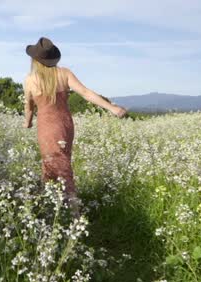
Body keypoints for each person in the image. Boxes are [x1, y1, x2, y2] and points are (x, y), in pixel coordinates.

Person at [23, 37, 127, 216]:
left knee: (56, 165)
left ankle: (73, 215)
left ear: (35, 60)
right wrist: (111, 108)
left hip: (46, 127)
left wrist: (28, 122)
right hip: (65, 125)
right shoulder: (64, 73)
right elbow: (86, 93)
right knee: (57, 163)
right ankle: (53, 208)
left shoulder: (30, 80)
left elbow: (28, 106)